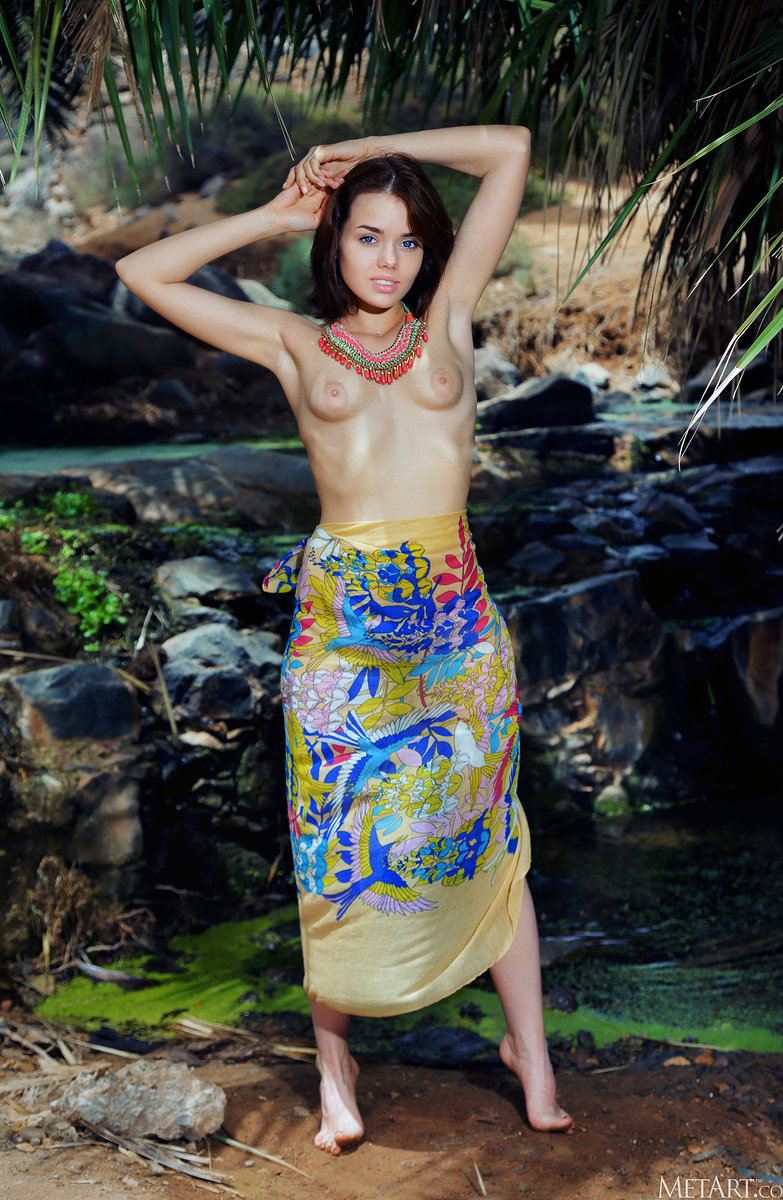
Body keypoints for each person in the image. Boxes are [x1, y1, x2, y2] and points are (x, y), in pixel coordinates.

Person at [116, 125, 573, 1154]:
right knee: (334, 845)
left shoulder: (448, 317)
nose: (388, 259)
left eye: (408, 241)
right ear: (336, 241)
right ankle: (335, 1073)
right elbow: (142, 273)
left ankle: (531, 1056)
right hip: (343, 633)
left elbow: (509, 148)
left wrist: (360, 148)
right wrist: (276, 212)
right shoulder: (294, 342)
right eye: (367, 235)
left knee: (491, 835)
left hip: (455, 623)